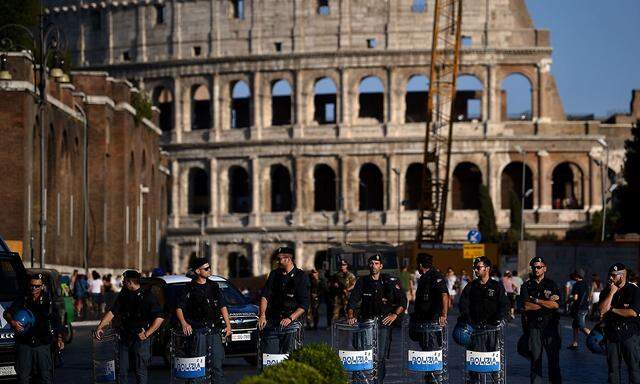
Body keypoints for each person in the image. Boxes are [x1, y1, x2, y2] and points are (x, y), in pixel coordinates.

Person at [95, 270, 164, 384]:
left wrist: (147, 333)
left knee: (140, 371)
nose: (122, 282)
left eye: (124, 281)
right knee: (121, 371)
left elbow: (160, 317)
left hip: (140, 338)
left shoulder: (147, 295)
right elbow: (113, 311)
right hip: (125, 337)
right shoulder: (124, 294)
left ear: (130, 282)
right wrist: (100, 326)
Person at [347, 253, 406, 382]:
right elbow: (352, 301)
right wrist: (351, 316)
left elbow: (402, 301)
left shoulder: (389, 281)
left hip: (383, 324)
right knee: (363, 353)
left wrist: (394, 314)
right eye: (372, 263)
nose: (374, 266)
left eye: (376, 264)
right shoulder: (362, 281)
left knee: (380, 356)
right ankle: (362, 380)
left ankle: (378, 381)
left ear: (381, 266)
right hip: (366, 323)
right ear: (369, 265)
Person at [176, 258, 232, 383]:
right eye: (206, 268)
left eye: (209, 267)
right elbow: (179, 308)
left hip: (214, 330)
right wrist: (184, 323)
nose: (209, 270)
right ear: (197, 271)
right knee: (198, 365)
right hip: (198, 330)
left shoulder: (214, 286)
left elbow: (222, 306)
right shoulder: (189, 287)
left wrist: (228, 325)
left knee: (217, 363)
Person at [4, 273, 65, 384]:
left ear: (42, 286)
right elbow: (7, 313)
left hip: (42, 344)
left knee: (45, 377)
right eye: (32, 285)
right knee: (23, 378)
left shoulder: (48, 301)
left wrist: (60, 338)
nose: (34, 288)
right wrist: (12, 322)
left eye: (37, 286)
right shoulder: (23, 299)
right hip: (24, 344)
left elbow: (56, 321)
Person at [458, 257, 508, 383]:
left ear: (487, 269)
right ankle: (475, 380)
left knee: (493, 358)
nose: (475, 270)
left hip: (492, 328)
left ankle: (495, 380)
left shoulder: (497, 287)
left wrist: (498, 318)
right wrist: (467, 318)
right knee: (475, 359)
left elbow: (504, 305)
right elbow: (463, 304)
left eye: (478, 267)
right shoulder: (471, 286)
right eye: (474, 267)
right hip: (475, 329)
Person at [258, 247, 310, 355]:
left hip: (292, 323)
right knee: (269, 356)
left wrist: (290, 318)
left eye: (279, 258)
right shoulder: (274, 274)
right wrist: (262, 315)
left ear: (288, 259)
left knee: (290, 356)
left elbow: (304, 304)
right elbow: (265, 296)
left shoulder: (301, 276)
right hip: (273, 321)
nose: (277, 261)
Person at [520, 256, 562, 384]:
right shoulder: (526, 285)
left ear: (545, 268)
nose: (536, 269)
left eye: (539, 267)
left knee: (553, 360)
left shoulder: (552, 284)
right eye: (534, 267)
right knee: (535, 360)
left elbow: (556, 305)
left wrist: (537, 300)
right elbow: (526, 306)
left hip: (551, 326)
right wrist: (547, 303)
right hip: (534, 327)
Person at [598, 263, 640, 384]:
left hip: (630, 336)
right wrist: (611, 293)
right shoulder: (607, 291)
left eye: (613, 275)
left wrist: (612, 310)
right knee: (613, 371)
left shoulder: (633, 290)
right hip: (612, 336)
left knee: (634, 370)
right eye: (609, 275)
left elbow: (633, 312)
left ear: (621, 276)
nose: (610, 278)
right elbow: (601, 311)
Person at [410, 253, 448, 383]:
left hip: (432, 322)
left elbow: (444, 296)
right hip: (423, 321)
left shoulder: (435, 276)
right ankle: (429, 376)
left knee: (432, 351)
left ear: (420, 265)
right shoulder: (424, 277)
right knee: (427, 350)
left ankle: (434, 378)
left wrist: (443, 315)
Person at [568, 272, 590, 350]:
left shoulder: (576, 285)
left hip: (579, 308)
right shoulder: (586, 284)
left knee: (581, 326)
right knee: (575, 325)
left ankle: (596, 339)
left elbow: (575, 298)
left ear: (577, 276)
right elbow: (588, 296)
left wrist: (568, 300)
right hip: (585, 307)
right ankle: (575, 343)